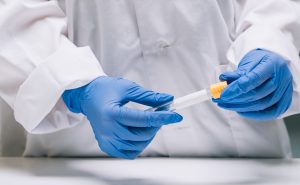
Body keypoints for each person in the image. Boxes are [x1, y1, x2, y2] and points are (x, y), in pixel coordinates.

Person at [0, 0, 300, 159]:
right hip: (79, 160)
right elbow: (13, 13)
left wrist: (270, 42)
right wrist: (73, 85)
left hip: (243, 165)